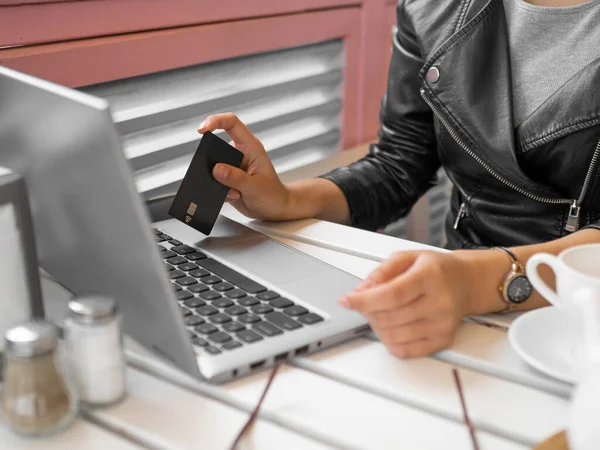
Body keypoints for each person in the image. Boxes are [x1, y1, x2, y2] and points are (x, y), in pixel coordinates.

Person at [196, 0, 600, 359]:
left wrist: (478, 281)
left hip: (577, 315)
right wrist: (287, 200)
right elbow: (399, 163)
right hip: (450, 301)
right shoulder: (431, 8)